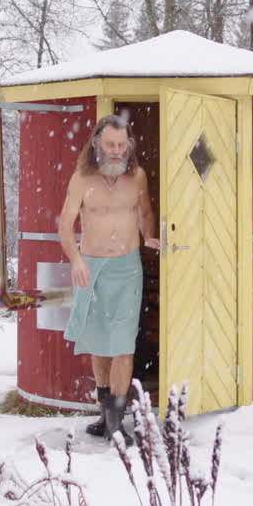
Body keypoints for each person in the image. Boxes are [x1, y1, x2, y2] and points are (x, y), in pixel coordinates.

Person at [58, 114, 159, 444]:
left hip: (127, 269)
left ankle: (118, 424)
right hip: (91, 269)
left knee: (122, 347)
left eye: (121, 145)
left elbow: (145, 212)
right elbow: (65, 223)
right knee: (98, 345)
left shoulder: (137, 177)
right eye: (110, 145)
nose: (116, 151)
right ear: (97, 144)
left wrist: (149, 236)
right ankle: (106, 417)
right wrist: (75, 260)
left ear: (128, 145)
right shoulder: (82, 178)